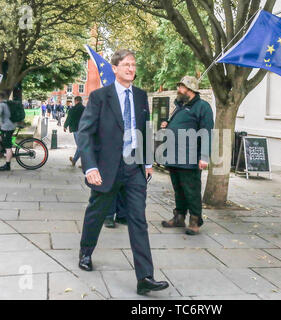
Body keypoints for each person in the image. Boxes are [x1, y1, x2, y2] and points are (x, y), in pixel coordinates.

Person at [77, 49, 169, 295]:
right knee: (96, 213)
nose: (131, 68)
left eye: (133, 64)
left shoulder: (140, 96)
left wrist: (147, 161)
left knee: (138, 219)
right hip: (106, 167)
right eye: (126, 64)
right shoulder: (100, 97)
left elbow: (145, 129)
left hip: (134, 169)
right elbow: (84, 133)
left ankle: (145, 277)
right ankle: (85, 252)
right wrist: (91, 167)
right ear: (115, 69)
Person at [160, 76, 214, 235]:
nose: (178, 89)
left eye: (181, 87)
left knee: (191, 190)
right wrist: (168, 125)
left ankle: (195, 221)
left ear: (190, 89)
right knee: (178, 190)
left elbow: (207, 132)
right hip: (174, 156)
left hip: (189, 158)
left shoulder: (202, 107)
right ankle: (179, 217)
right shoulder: (179, 106)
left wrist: (204, 156)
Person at [64, 96, 85, 167]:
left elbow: (69, 118)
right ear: (81, 101)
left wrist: (65, 126)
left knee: (80, 146)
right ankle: (77, 161)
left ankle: (76, 161)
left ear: (76, 101)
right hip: (84, 129)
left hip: (76, 129)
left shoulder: (73, 109)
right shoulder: (85, 109)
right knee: (81, 145)